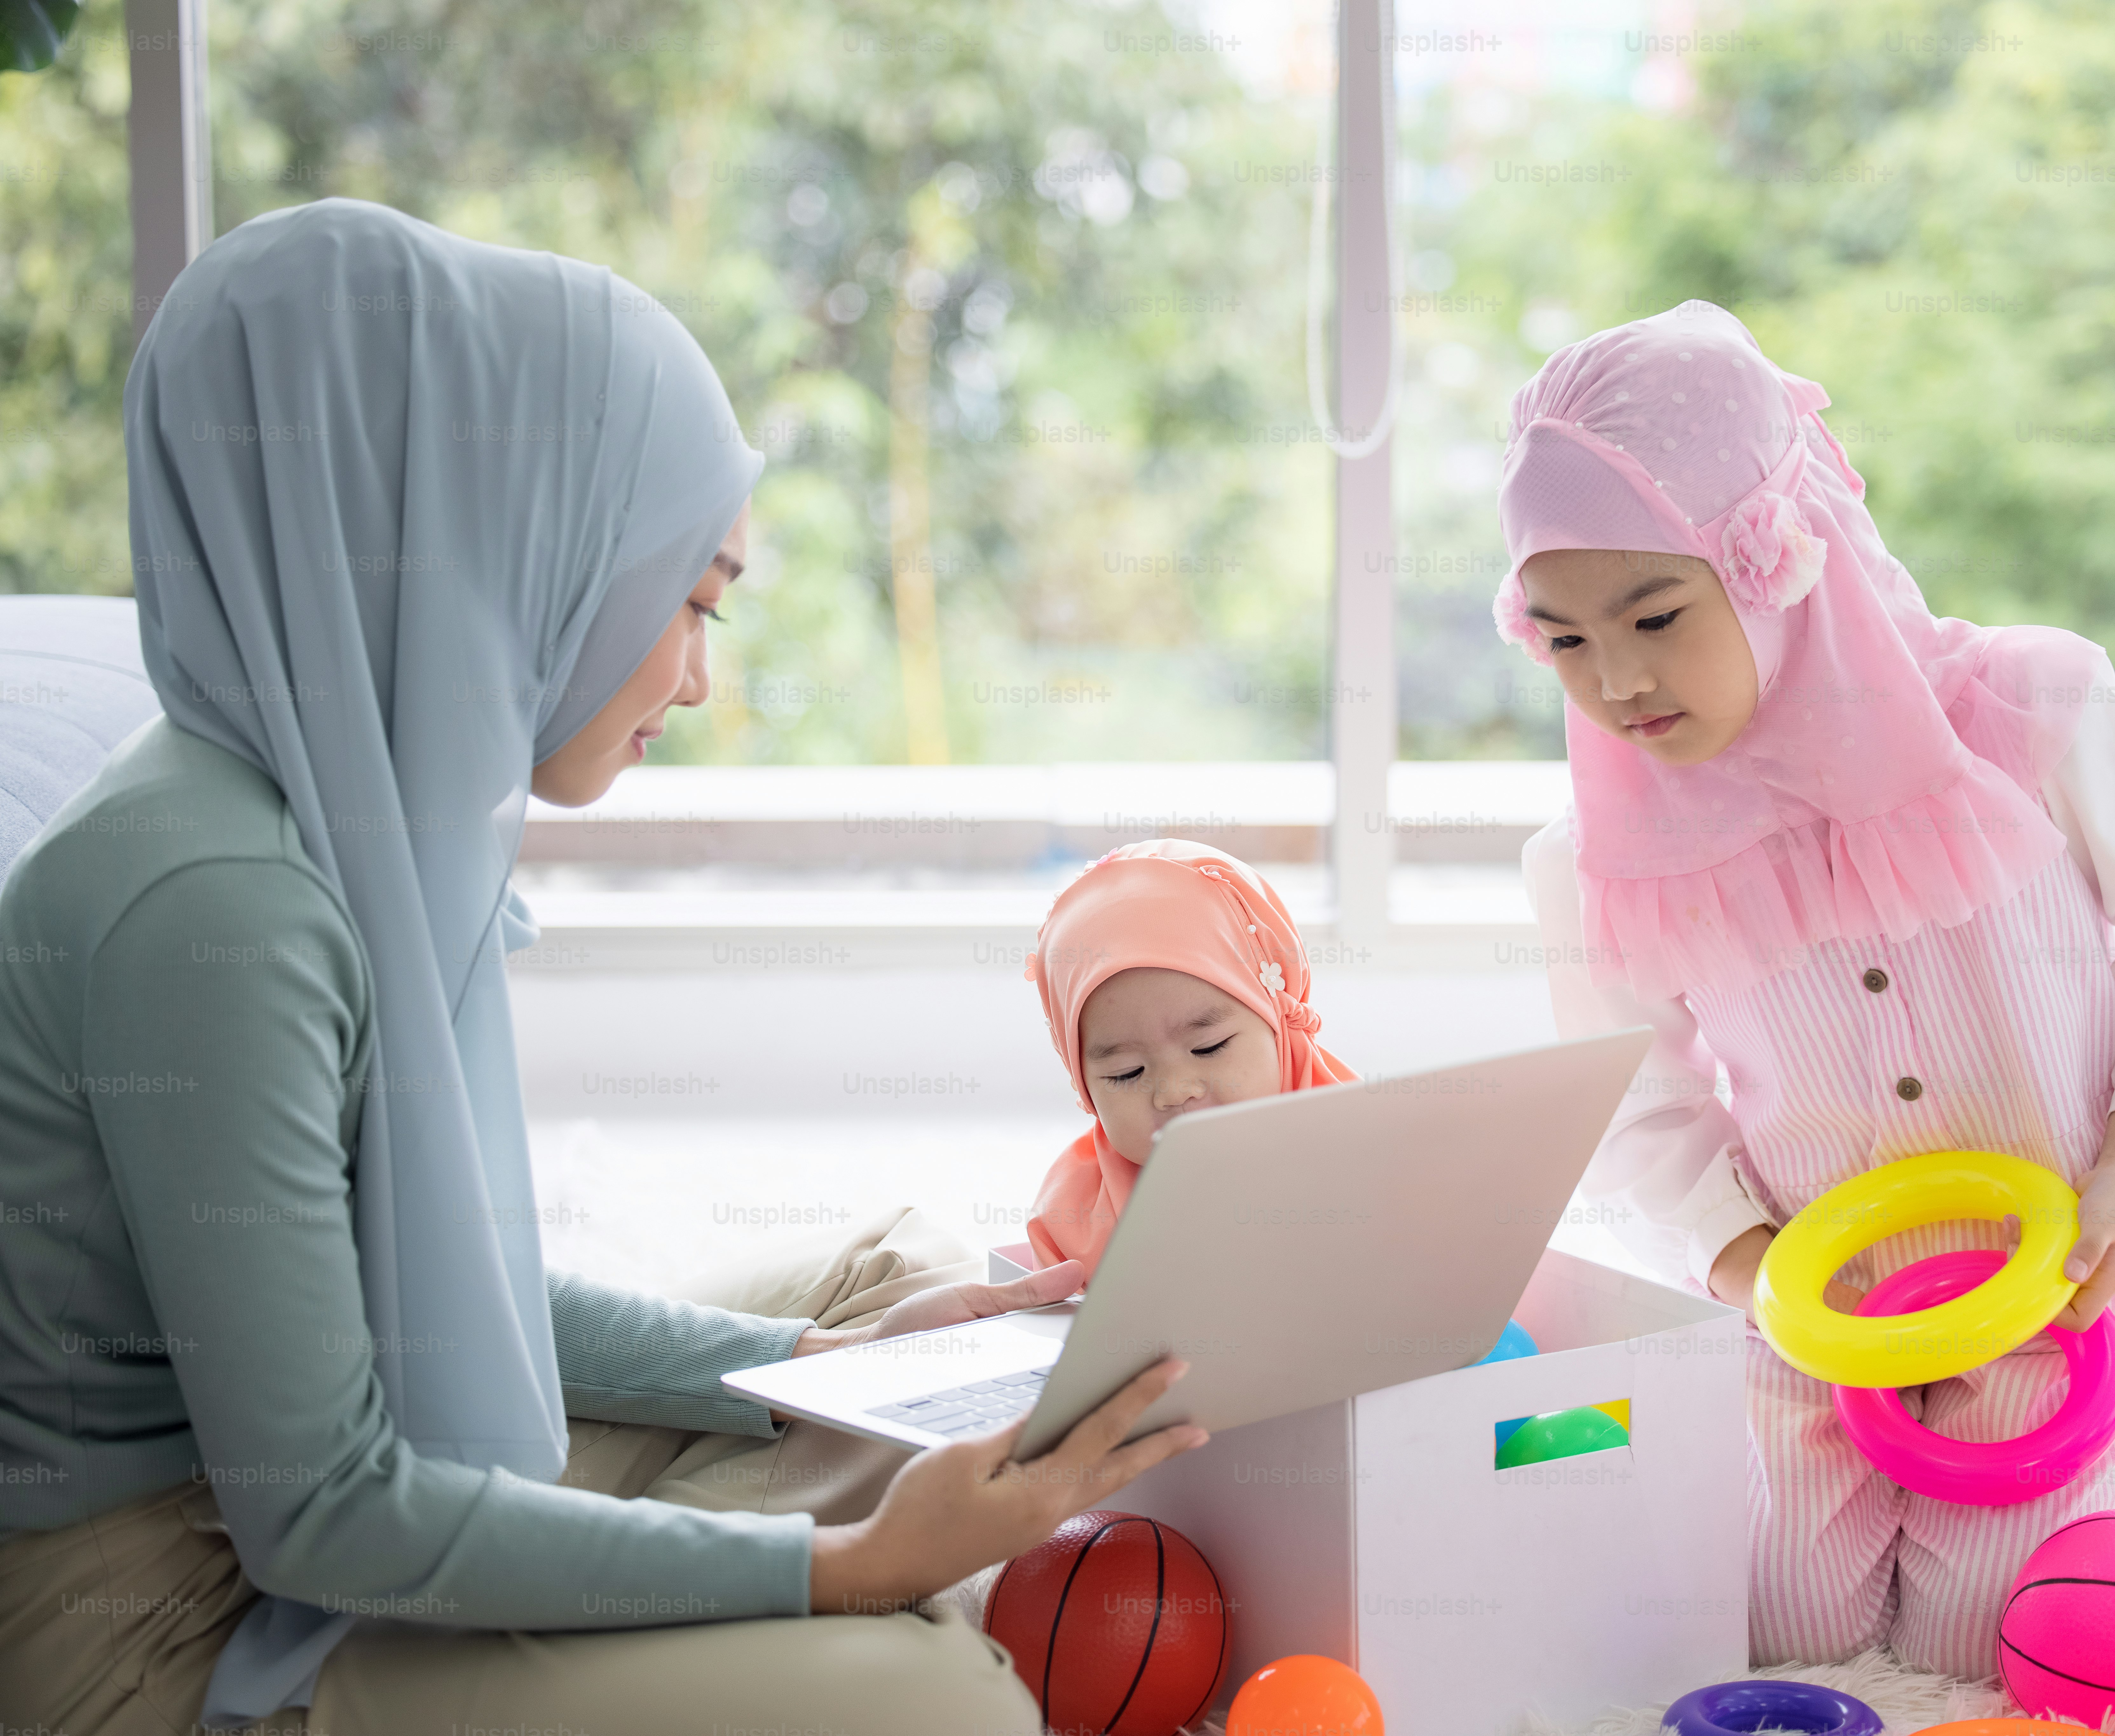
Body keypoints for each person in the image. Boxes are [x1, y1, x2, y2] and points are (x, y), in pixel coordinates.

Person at [0, 197, 1201, 1735]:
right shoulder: (216, 909)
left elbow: (427, 1305)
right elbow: (328, 1512)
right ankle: (809, 1598)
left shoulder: (341, 807)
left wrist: (817, 1363)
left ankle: (760, 1550)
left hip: (303, 1518)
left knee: (904, 1290)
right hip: (164, 1627)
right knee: (930, 1702)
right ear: (512, 552)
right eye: (689, 599)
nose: (696, 678)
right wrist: (839, 1569)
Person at [1491, 299, 2115, 1674]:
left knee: (1989, 1648)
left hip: (2061, 1280)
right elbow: (1638, 1098)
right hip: (1806, 1307)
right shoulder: (1594, 857)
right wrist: (1751, 1274)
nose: (1613, 680)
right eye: (1562, 639)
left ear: (1776, 561)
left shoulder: (2025, 710)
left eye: (1655, 616)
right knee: (1781, 1634)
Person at [1022, 839, 1353, 1280]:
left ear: (1278, 1021)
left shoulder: (1373, 1153)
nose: (1175, 1092)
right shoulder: (1073, 1225)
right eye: (1127, 1073)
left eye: (1209, 1047)